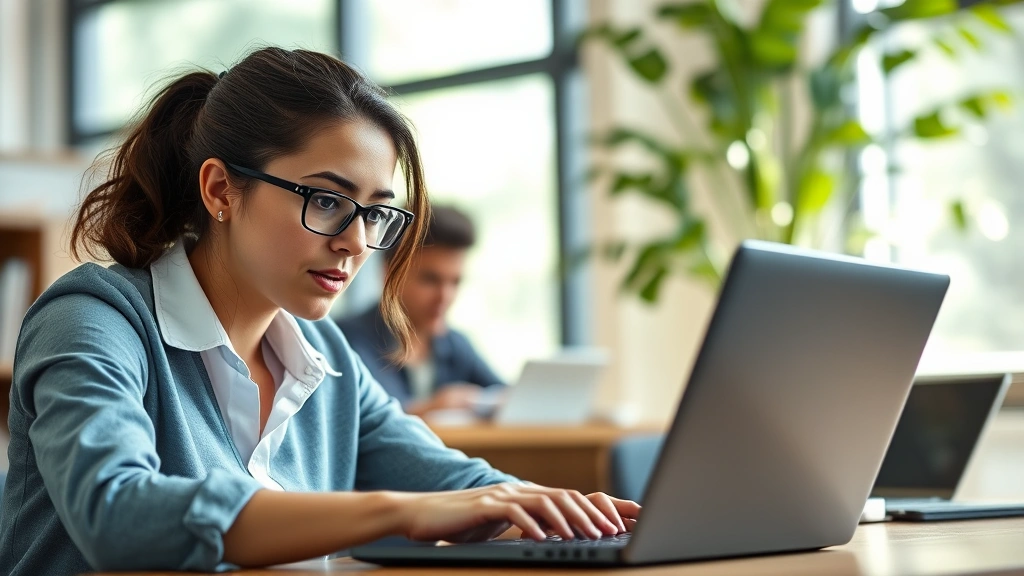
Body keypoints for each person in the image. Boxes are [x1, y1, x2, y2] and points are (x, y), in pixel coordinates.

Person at [0, 48, 638, 575]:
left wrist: (573, 513)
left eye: (375, 211)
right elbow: (116, 516)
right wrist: (399, 512)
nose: (356, 242)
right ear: (221, 189)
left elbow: (454, 484)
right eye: (328, 201)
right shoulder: (93, 320)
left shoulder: (323, 354)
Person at [338, 205, 505, 417]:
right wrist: (434, 407)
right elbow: (366, 418)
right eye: (430, 280)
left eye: (455, 282)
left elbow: (506, 395)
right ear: (390, 274)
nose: (445, 297)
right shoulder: (347, 340)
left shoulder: (454, 344)